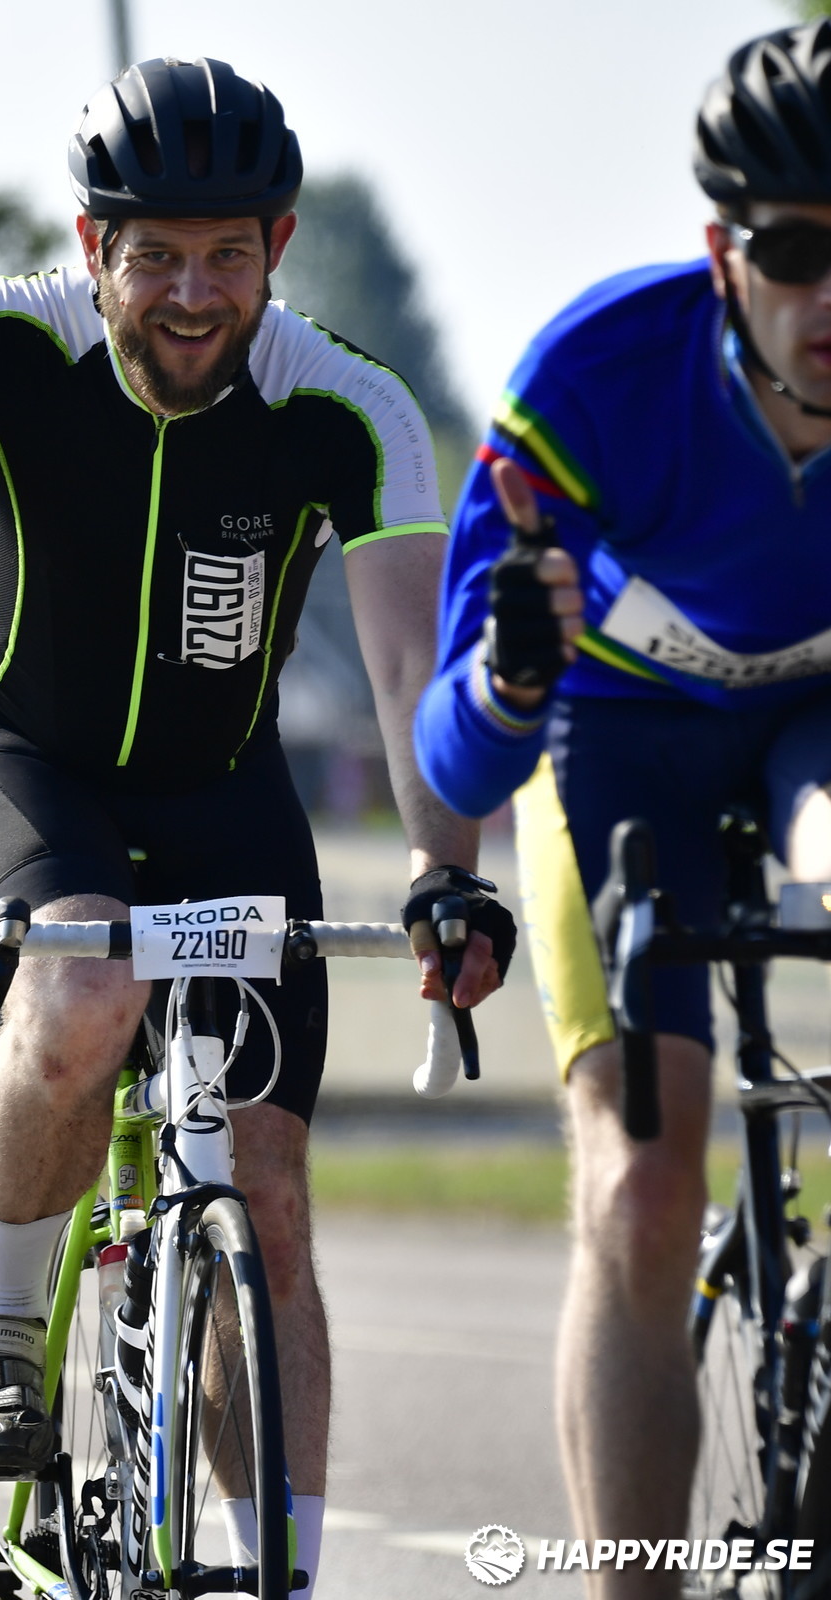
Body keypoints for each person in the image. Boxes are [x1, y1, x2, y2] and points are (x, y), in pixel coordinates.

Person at [0, 57, 510, 1597]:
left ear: (276, 246)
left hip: (222, 797)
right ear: (92, 247)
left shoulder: (354, 410)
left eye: (227, 256)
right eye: (156, 257)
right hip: (17, 762)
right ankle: (0, 1328)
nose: (193, 295)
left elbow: (411, 668)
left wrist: (444, 873)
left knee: (270, 1204)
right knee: (79, 985)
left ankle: (283, 1573)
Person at [413, 24, 831, 1595]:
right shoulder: (595, 381)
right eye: (797, 253)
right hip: (620, 738)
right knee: (649, 1187)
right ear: (725, 255)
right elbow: (453, 767)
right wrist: (515, 676)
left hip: (817, 730)